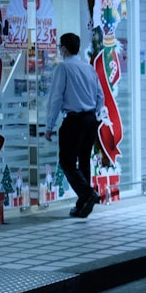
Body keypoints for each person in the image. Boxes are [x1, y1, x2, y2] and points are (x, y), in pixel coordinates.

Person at [44, 33, 104, 217]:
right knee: (84, 160)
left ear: (64, 48)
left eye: (59, 46)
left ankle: (87, 194)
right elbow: (100, 96)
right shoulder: (88, 68)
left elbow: (56, 99)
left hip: (74, 120)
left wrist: (49, 125)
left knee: (67, 162)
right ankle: (83, 205)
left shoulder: (63, 68)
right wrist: (94, 114)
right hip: (90, 119)